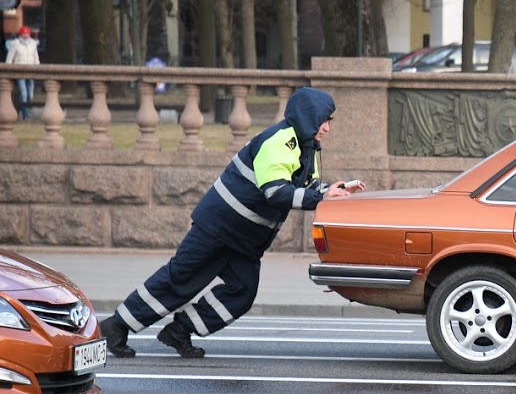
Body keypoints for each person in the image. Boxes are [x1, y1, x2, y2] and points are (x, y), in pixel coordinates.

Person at [99, 87, 359, 359]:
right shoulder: (280, 141)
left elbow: (307, 185)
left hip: (244, 238)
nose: (328, 128)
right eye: (324, 120)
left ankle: (179, 330)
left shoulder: (307, 147)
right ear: (309, 116)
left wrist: (333, 190)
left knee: (241, 293)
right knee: (180, 280)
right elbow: (276, 192)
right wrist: (319, 196)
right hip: (219, 227)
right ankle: (116, 327)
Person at [6, 25, 40, 120]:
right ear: (21, 34)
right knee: (23, 93)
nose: (26, 35)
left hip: (31, 71)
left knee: (30, 94)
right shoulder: (15, 44)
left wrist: (37, 67)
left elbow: (35, 57)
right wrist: (9, 70)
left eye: (27, 33)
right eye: (24, 33)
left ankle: (26, 110)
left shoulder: (33, 44)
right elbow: (10, 58)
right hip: (20, 72)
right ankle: (25, 115)